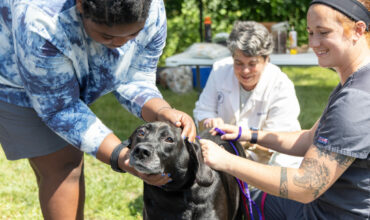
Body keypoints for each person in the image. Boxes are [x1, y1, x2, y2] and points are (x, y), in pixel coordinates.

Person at [0, 0, 196, 219]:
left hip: (64, 70)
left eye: (134, 34)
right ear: (81, 5)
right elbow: (61, 109)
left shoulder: (150, 7)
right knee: (64, 165)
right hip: (19, 80)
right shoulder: (40, 20)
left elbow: (136, 73)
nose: (122, 45)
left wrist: (161, 110)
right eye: (108, 36)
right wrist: (120, 156)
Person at [200, 0, 370, 219]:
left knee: (245, 199)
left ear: (358, 30)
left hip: (329, 213)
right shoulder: (355, 83)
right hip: (325, 205)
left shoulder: (355, 100)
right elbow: (310, 138)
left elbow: (306, 185)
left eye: (323, 32)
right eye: (310, 33)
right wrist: (248, 134)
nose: (314, 43)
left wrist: (226, 161)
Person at [193, 21, 303, 167]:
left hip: (272, 164)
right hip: (225, 157)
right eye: (238, 63)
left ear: (266, 60)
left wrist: (243, 139)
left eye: (252, 64)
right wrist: (209, 121)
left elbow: (276, 143)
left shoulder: (280, 85)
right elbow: (202, 111)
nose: (245, 71)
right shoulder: (220, 71)